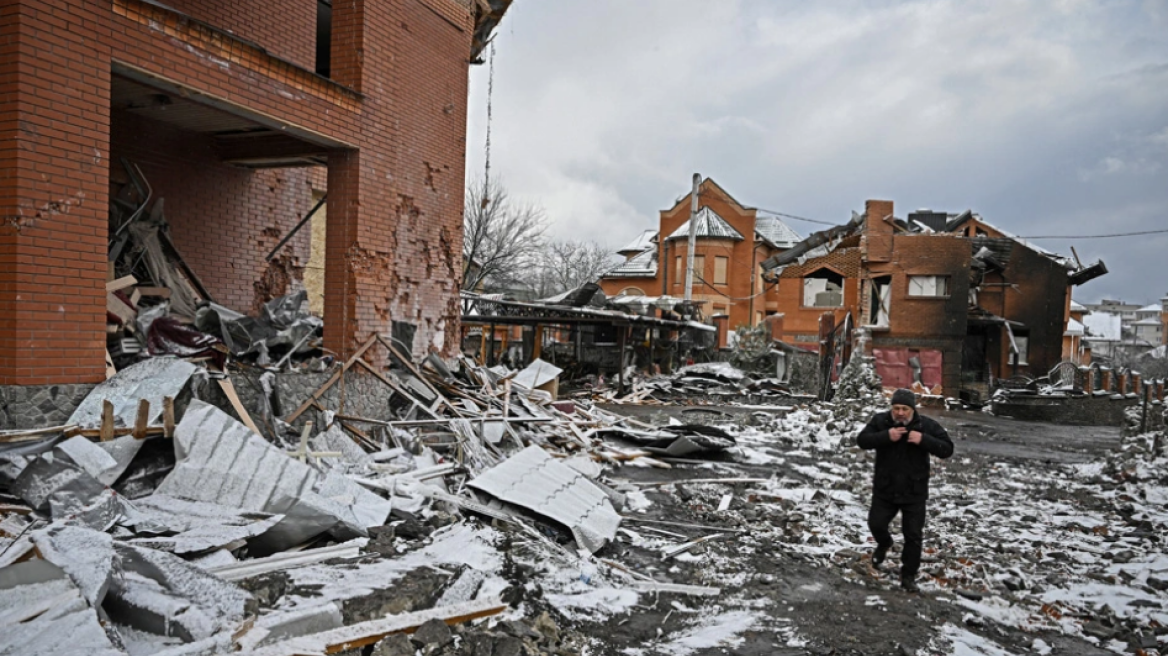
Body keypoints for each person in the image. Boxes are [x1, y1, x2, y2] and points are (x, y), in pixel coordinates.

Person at [857, 388, 954, 592]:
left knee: (913, 536)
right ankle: (884, 544)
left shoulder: (925, 426)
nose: (900, 413)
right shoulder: (881, 421)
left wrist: (923, 440)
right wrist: (885, 436)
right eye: (896, 408)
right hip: (886, 489)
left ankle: (908, 576)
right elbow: (862, 440)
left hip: (914, 491)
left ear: (912, 409)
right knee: (876, 524)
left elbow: (947, 449)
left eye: (905, 409)